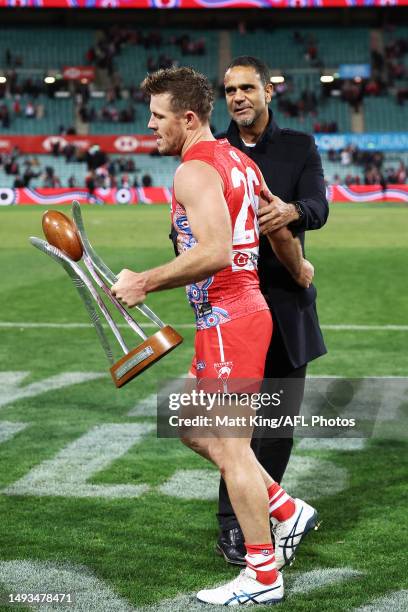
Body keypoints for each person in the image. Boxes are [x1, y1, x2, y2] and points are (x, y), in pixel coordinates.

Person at [112, 66, 318, 606]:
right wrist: (299, 270)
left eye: (157, 117)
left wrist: (145, 281)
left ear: (186, 117)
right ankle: (286, 508)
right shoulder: (239, 161)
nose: (149, 125)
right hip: (232, 318)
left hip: (230, 318)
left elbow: (217, 252)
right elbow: (275, 223)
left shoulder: (195, 171)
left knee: (231, 450)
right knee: (189, 425)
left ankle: (262, 575)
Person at [171, 56, 328, 565]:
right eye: (230, 89)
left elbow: (316, 209)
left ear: (268, 91)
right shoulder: (218, 152)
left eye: (247, 88)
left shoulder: (298, 146)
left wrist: (294, 212)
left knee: (272, 426)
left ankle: (274, 526)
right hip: (235, 303)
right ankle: (237, 528)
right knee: (219, 429)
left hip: (283, 304)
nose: (238, 97)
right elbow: (187, 231)